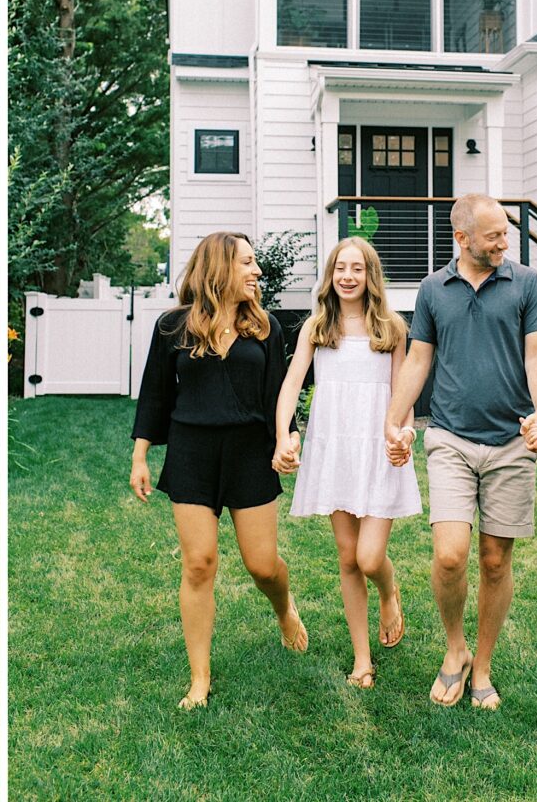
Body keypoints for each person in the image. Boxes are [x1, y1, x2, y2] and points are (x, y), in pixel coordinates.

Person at [383, 194, 537, 711]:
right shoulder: (434, 289)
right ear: (462, 239)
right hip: (451, 439)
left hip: (510, 441)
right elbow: (417, 361)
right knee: (451, 555)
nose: (505, 242)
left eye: (506, 232)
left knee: (496, 561)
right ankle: (454, 646)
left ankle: (481, 663)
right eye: (494, 235)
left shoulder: (526, 284)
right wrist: (394, 422)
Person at [130, 231, 307, 711]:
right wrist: (141, 455)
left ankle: (284, 610)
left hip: (250, 453)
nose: (256, 272)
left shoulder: (266, 327)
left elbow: (278, 398)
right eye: (247, 263)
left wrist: (287, 439)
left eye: (255, 264)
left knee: (262, 565)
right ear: (219, 267)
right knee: (199, 562)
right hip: (192, 453)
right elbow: (155, 393)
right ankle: (200, 678)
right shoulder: (173, 327)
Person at [273, 237, 420, 689]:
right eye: (340, 268)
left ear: (370, 275)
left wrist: (405, 433)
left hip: (378, 447)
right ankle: (362, 658)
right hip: (334, 447)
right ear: (330, 275)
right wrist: (284, 436)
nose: (348, 276)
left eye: (357, 268)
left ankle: (389, 592)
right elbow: (291, 383)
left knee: (370, 556)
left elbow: (404, 392)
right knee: (347, 557)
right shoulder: (317, 328)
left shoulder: (392, 328)